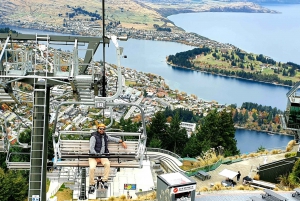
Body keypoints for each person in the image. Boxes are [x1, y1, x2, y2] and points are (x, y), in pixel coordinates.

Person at [88, 123, 127, 194]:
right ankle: (92, 184)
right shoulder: (93, 137)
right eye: (100, 129)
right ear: (98, 129)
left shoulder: (105, 136)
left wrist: (122, 141)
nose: (102, 130)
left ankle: (104, 180)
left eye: (103, 129)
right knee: (92, 168)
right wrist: (96, 155)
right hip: (93, 157)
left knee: (107, 164)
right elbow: (91, 148)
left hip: (103, 156)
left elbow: (113, 139)